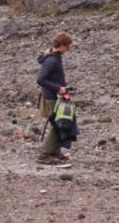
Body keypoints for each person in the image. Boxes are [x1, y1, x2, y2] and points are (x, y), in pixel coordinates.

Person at [36, 31, 73, 164]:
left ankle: (55, 150)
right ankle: (43, 155)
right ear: (61, 45)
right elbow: (40, 79)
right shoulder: (51, 60)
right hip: (52, 97)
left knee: (60, 124)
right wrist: (59, 88)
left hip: (55, 96)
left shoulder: (53, 56)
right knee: (58, 125)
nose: (68, 50)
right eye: (68, 47)